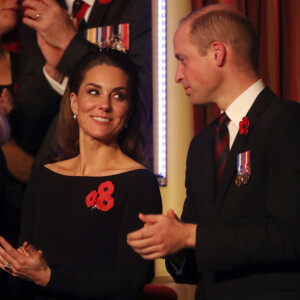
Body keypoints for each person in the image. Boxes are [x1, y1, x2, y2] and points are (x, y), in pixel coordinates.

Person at [127, 4, 300, 300]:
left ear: (217, 53)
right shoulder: (202, 143)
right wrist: (175, 245)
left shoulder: (287, 122)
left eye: (183, 60)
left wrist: (188, 235)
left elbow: (290, 236)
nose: (178, 76)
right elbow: (196, 265)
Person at [0, 49, 162, 299]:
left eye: (118, 96)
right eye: (94, 92)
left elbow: (131, 281)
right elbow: (23, 279)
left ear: (129, 110)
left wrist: (48, 277)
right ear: (74, 102)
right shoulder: (44, 177)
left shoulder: (139, 182)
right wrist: (17, 268)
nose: (104, 105)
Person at [11, 0, 153, 170]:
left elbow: (145, 97)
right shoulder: (40, 9)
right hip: (51, 169)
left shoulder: (137, 6)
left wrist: (70, 44)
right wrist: (54, 72)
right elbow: (26, 134)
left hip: (119, 169)